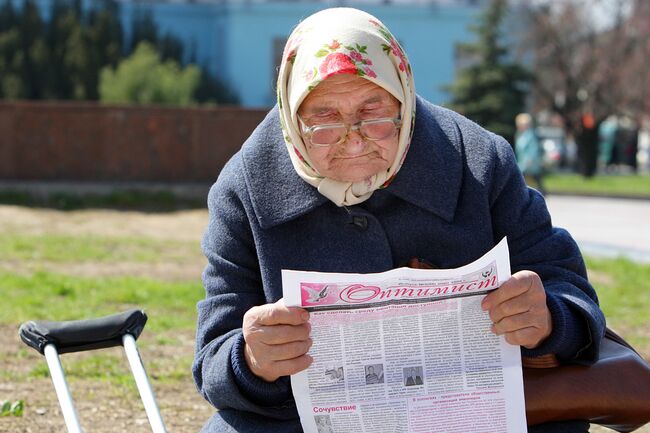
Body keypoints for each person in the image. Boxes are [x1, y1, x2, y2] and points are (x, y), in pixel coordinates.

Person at [193, 8, 605, 433]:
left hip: (468, 412)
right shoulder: (245, 187)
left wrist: (549, 317)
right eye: (324, 120)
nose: (353, 141)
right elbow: (213, 358)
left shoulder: (479, 161)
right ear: (291, 117)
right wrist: (251, 359)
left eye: (374, 114)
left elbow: (567, 288)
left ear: (404, 101)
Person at [515, 113, 546, 196]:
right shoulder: (520, 134)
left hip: (529, 161)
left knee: (531, 176)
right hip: (522, 161)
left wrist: (530, 159)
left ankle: (541, 192)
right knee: (530, 177)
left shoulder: (530, 135)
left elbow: (533, 148)